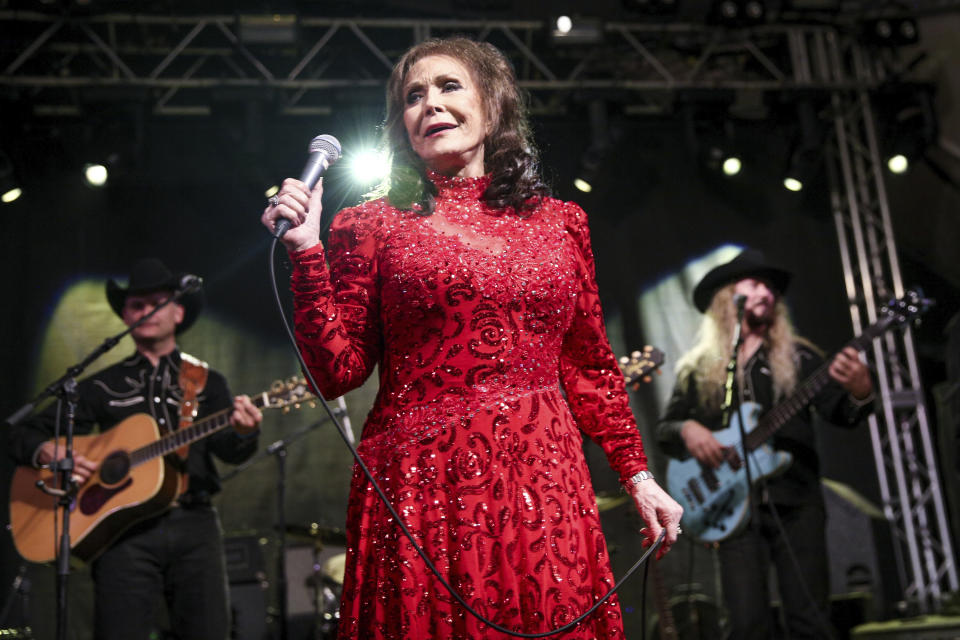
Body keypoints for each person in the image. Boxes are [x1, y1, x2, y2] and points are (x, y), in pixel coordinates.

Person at [261, 37, 682, 639]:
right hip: (422, 483)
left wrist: (640, 479)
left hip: (545, 480)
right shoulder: (369, 223)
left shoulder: (562, 224)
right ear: (401, 125)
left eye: (448, 86)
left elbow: (590, 367)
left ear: (493, 105)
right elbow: (338, 371)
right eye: (413, 96)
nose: (429, 103)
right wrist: (306, 253)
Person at [5, 258, 263, 640]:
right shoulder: (100, 385)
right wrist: (50, 453)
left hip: (194, 525)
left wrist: (244, 431)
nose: (146, 311)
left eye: (155, 302)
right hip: (121, 533)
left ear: (178, 311)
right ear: (125, 316)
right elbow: (23, 434)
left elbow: (232, 451)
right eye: (136, 305)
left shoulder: (206, 381)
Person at [656, 249, 874, 640]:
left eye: (771, 288)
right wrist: (688, 427)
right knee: (745, 624)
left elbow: (841, 414)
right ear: (727, 296)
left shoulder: (799, 356)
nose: (767, 293)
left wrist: (860, 391)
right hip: (730, 509)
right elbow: (665, 430)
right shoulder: (698, 369)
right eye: (755, 284)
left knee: (810, 618)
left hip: (797, 503)